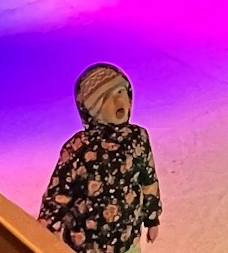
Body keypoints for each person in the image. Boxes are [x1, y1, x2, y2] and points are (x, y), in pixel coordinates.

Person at [38, 63, 163, 253]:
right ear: (93, 110)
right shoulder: (78, 148)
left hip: (128, 240)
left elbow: (148, 180)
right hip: (87, 245)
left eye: (121, 92)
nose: (118, 101)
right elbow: (59, 193)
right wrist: (45, 230)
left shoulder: (138, 138)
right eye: (107, 98)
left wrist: (152, 217)